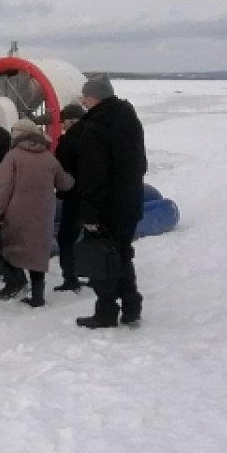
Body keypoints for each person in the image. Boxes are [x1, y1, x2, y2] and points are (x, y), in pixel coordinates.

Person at [73, 75, 148, 328]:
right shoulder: (129, 120)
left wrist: (90, 215)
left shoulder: (97, 126)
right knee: (123, 255)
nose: (83, 102)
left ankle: (105, 312)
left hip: (106, 208)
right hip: (130, 203)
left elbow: (93, 176)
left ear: (94, 97)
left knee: (102, 258)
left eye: (85, 97)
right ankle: (131, 307)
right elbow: (141, 165)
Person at [0, 118, 74, 307]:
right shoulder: (48, 157)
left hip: (15, 213)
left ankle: (14, 283)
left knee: (9, 248)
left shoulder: (13, 156)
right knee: (37, 252)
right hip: (43, 214)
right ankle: (37, 296)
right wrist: (75, 177)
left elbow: (3, 189)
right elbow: (64, 184)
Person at [53, 102, 87, 292]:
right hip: (93, 196)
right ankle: (94, 273)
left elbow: (61, 171)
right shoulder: (94, 138)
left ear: (71, 121)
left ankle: (70, 278)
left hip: (73, 196)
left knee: (66, 238)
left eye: (64, 121)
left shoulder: (68, 142)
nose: (63, 125)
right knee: (89, 236)